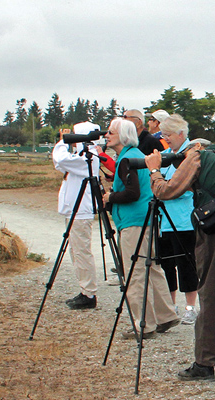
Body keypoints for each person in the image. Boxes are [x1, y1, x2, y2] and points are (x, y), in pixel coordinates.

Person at [145, 136, 215, 380]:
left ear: (196, 147)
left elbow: (166, 191)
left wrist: (154, 169)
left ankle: (205, 362)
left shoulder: (198, 156)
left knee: (212, 294)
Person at [102, 118, 179, 339]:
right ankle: (165, 315)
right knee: (151, 267)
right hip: (145, 219)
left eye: (111, 132)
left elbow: (132, 193)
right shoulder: (137, 155)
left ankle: (143, 324)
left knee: (134, 272)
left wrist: (110, 196)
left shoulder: (127, 159)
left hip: (133, 221)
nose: (107, 136)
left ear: (123, 136)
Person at [52, 122, 100, 310]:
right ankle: (85, 289)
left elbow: (61, 160)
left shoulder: (88, 158)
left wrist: (62, 142)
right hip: (75, 210)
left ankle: (89, 293)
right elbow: (60, 164)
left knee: (81, 252)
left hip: (80, 212)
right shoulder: (81, 157)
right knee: (76, 252)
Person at [157, 114, 199, 325]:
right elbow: (155, 185)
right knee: (166, 263)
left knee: (186, 264)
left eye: (169, 135)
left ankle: (190, 307)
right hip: (163, 219)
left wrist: (166, 186)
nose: (166, 139)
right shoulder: (163, 155)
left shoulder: (190, 154)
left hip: (183, 219)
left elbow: (180, 187)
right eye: (163, 135)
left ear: (181, 134)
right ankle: (169, 305)